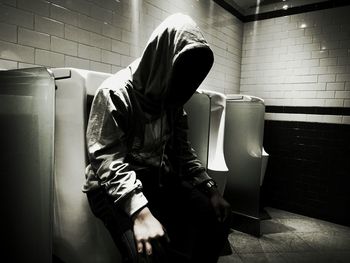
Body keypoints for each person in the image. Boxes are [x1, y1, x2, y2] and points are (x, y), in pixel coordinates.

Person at [83, 13, 231, 263]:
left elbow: (183, 150)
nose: (187, 87)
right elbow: (107, 161)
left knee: (216, 220)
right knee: (151, 252)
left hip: (156, 178)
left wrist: (209, 187)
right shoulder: (115, 93)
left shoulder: (171, 101)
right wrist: (139, 212)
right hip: (110, 187)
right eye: (183, 75)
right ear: (163, 61)